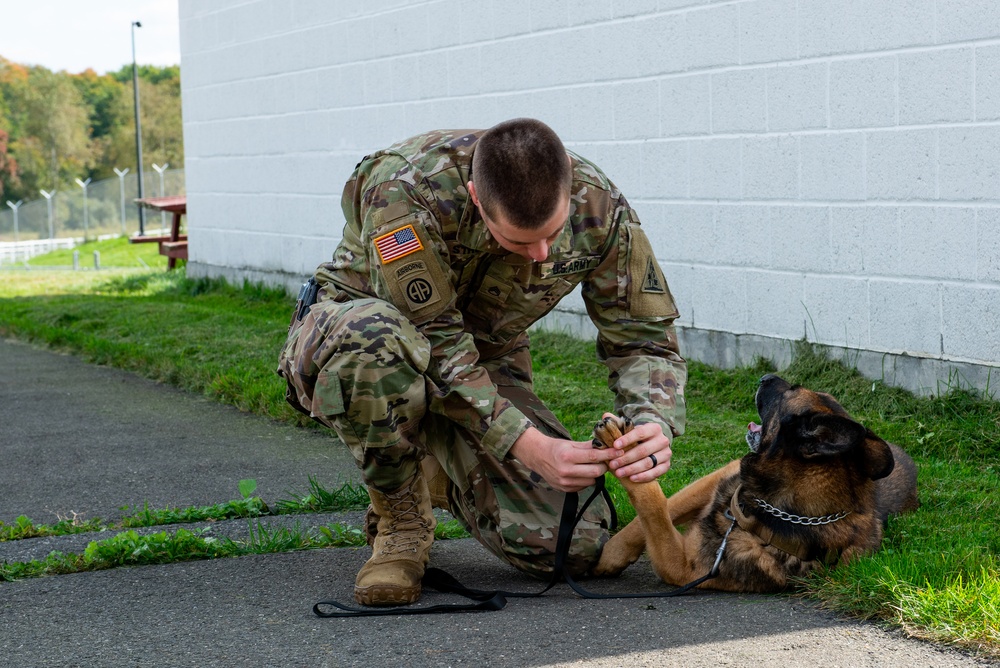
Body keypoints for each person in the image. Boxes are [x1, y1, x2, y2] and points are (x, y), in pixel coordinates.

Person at [277, 118, 686, 606]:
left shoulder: (599, 205)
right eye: (519, 242)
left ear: (569, 192)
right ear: (475, 196)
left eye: (553, 235)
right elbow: (438, 344)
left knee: (574, 547)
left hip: (484, 359)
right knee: (375, 341)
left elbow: (644, 338)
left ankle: (441, 473)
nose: (540, 255)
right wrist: (528, 445)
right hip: (366, 348)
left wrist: (650, 423)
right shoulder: (405, 191)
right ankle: (401, 519)